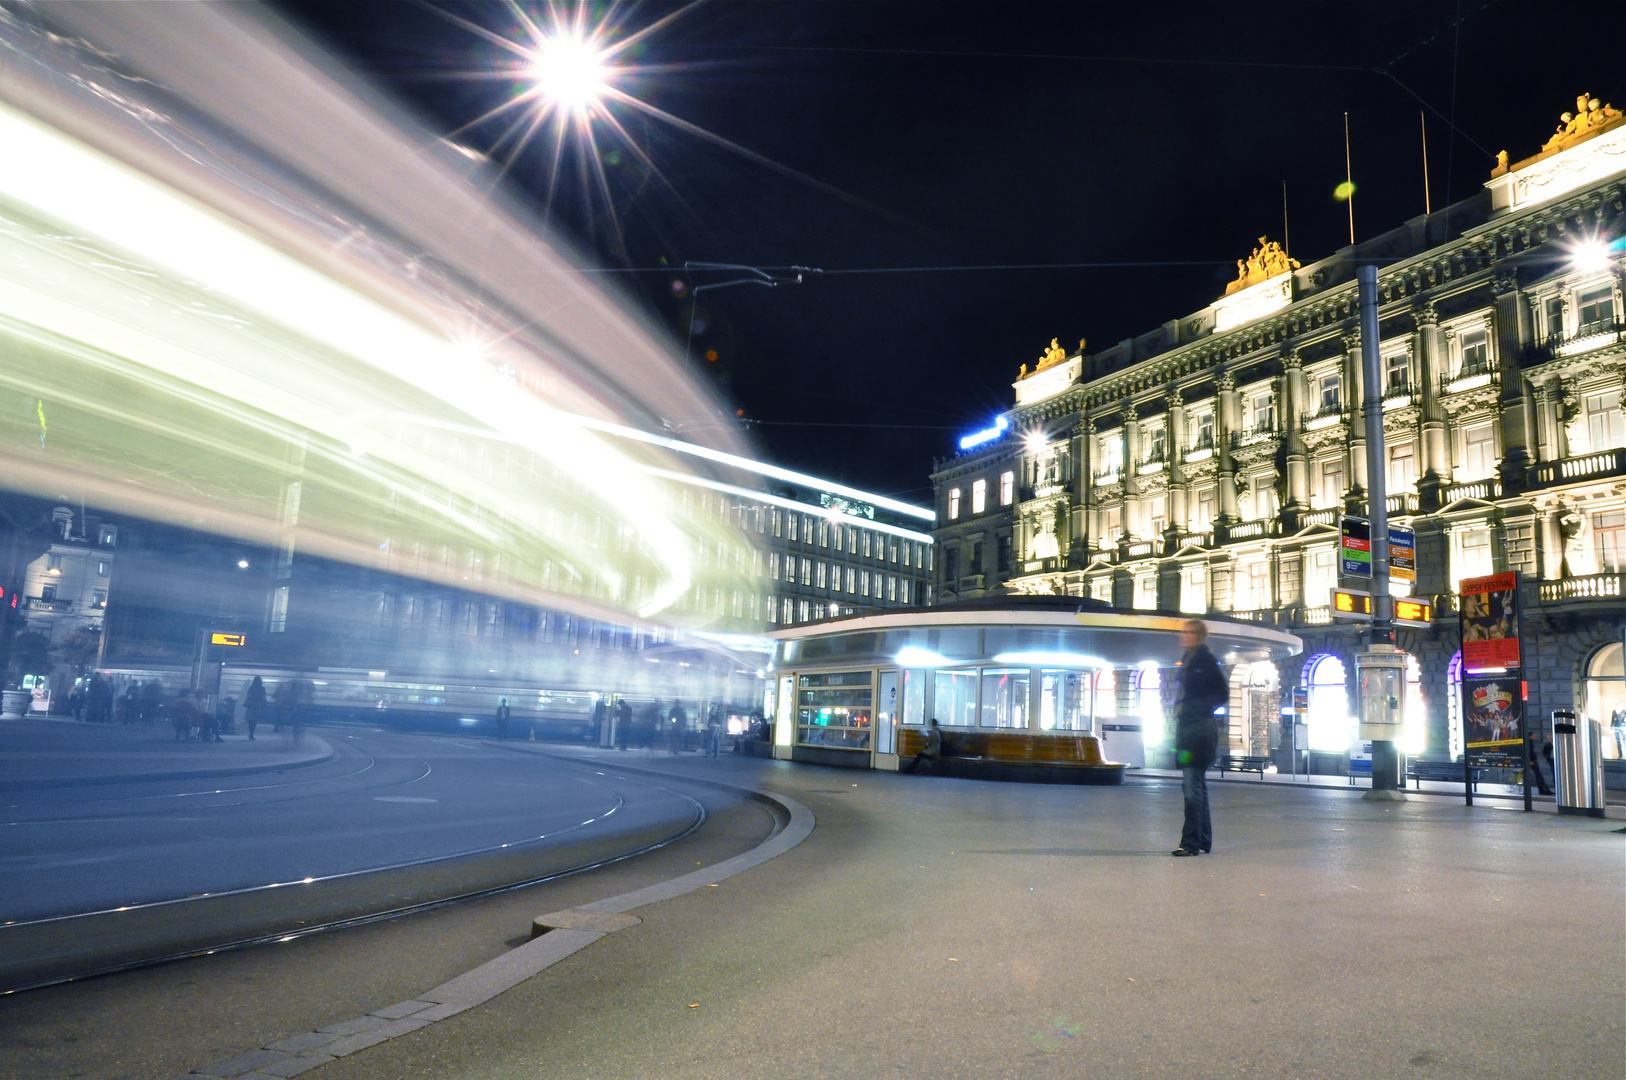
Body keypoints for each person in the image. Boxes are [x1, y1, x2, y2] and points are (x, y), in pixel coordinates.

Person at [1172, 619, 1228, 857]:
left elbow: (1222, 693)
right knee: (1197, 785)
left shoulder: (1204, 661)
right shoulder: (1188, 660)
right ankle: (1203, 840)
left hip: (1199, 730)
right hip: (1188, 729)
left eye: (1193, 632)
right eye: (1185, 632)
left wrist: (1199, 708)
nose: (1187, 635)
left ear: (1201, 636)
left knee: (1191, 786)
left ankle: (1191, 843)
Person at [244, 676, 266, 740]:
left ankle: (250, 732)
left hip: (251, 705)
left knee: (250, 719)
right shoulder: (262, 688)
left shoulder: (251, 688)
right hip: (258, 705)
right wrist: (263, 705)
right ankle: (252, 732)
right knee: (255, 720)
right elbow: (263, 697)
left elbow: (248, 695)